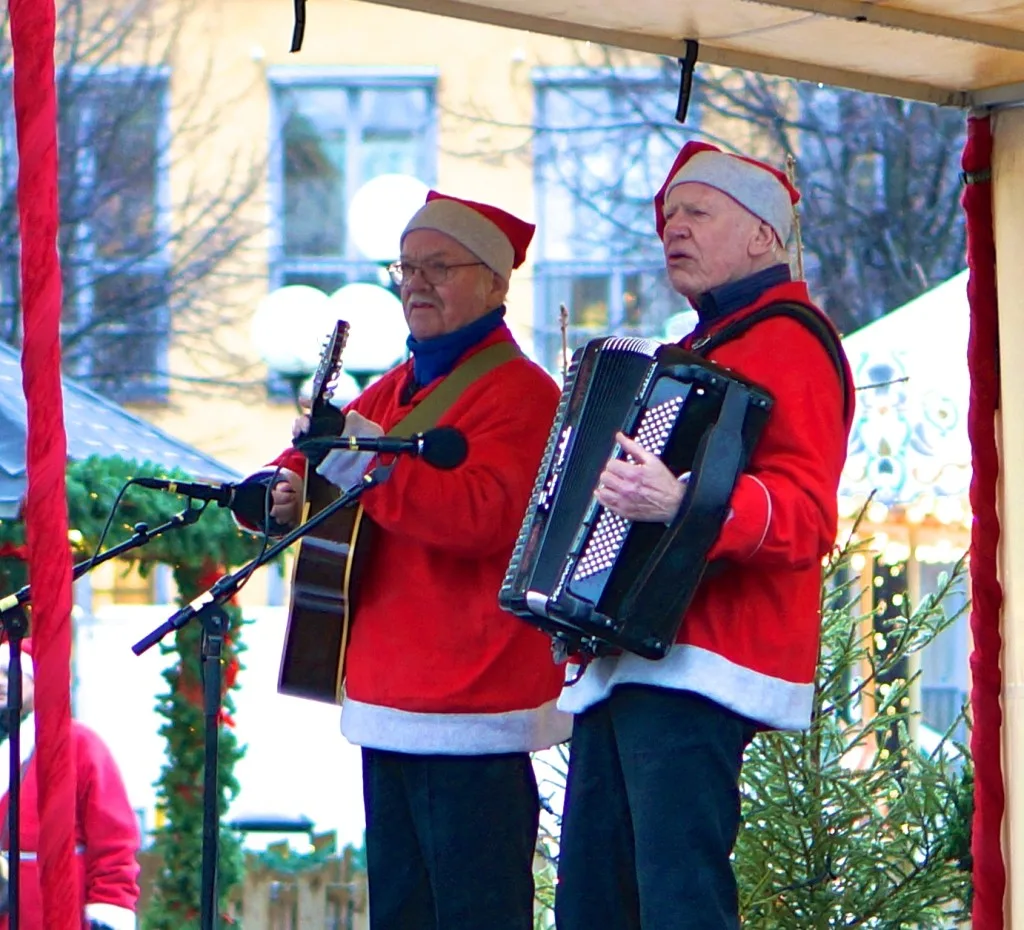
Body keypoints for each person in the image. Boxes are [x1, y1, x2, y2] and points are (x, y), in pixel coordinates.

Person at [553, 141, 856, 930]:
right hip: (641, 655)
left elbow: (807, 514)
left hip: (707, 656)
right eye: (666, 217)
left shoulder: (791, 339)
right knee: (597, 896)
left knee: (674, 897)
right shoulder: (700, 350)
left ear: (764, 235)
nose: (671, 230)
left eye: (696, 212)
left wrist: (684, 502)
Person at [254, 191, 571, 930]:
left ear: (495, 284)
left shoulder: (522, 393)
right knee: (402, 911)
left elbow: (482, 518)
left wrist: (358, 462)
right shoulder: (401, 385)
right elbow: (323, 456)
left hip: (471, 696)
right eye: (406, 266)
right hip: (391, 696)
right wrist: (280, 485)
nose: (415, 282)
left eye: (440, 266)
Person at [0, 638, 140, 930]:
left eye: (10, 673)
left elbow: (114, 843)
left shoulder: (79, 745)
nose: (1, 683)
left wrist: (109, 911)